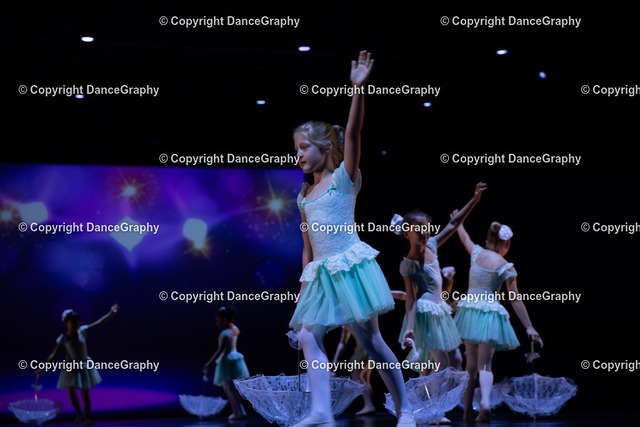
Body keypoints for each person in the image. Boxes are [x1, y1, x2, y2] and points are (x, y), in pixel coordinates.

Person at [289, 51, 415, 427]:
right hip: (321, 275)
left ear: (326, 148)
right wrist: (303, 289)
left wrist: (358, 89)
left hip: (350, 268)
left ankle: (406, 409)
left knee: (373, 342)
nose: (298, 154)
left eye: (304, 147)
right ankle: (321, 411)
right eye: (295, 149)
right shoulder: (303, 195)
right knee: (308, 337)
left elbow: (355, 133)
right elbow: (308, 247)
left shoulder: (343, 180)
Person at [454, 220, 541, 422]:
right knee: (485, 364)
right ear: (507, 244)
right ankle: (484, 402)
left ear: (487, 240)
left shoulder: (476, 252)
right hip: (490, 314)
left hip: (470, 312)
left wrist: (459, 223)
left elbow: (464, 237)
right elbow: (515, 299)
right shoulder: (505, 265)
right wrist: (529, 326)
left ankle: (467, 411)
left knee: (470, 366)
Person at [36, 304, 119, 426]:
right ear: (66, 323)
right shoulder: (63, 338)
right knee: (71, 391)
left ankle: (87, 417)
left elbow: (99, 322)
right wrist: (43, 369)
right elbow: (53, 355)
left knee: (85, 393)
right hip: (71, 367)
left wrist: (111, 312)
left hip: (84, 365)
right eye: (72, 322)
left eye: (77, 321)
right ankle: (79, 414)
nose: (75, 324)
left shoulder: (83, 331)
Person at [203, 306, 250, 421]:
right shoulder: (234, 329)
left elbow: (220, 350)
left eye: (218, 321)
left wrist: (209, 363)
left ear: (224, 319)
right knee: (231, 388)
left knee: (228, 388)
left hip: (227, 360)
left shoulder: (225, 333)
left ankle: (238, 411)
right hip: (235, 358)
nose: (217, 324)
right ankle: (239, 410)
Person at [330, 325, 376, 415]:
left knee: (357, 375)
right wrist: (335, 361)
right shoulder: (346, 324)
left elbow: (343, 342)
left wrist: (335, 361)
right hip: (366, 348)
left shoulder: (354, 320)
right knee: (364, 378)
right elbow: (343, 342)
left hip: (366, 347)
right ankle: (369, 404)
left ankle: (369, 404)